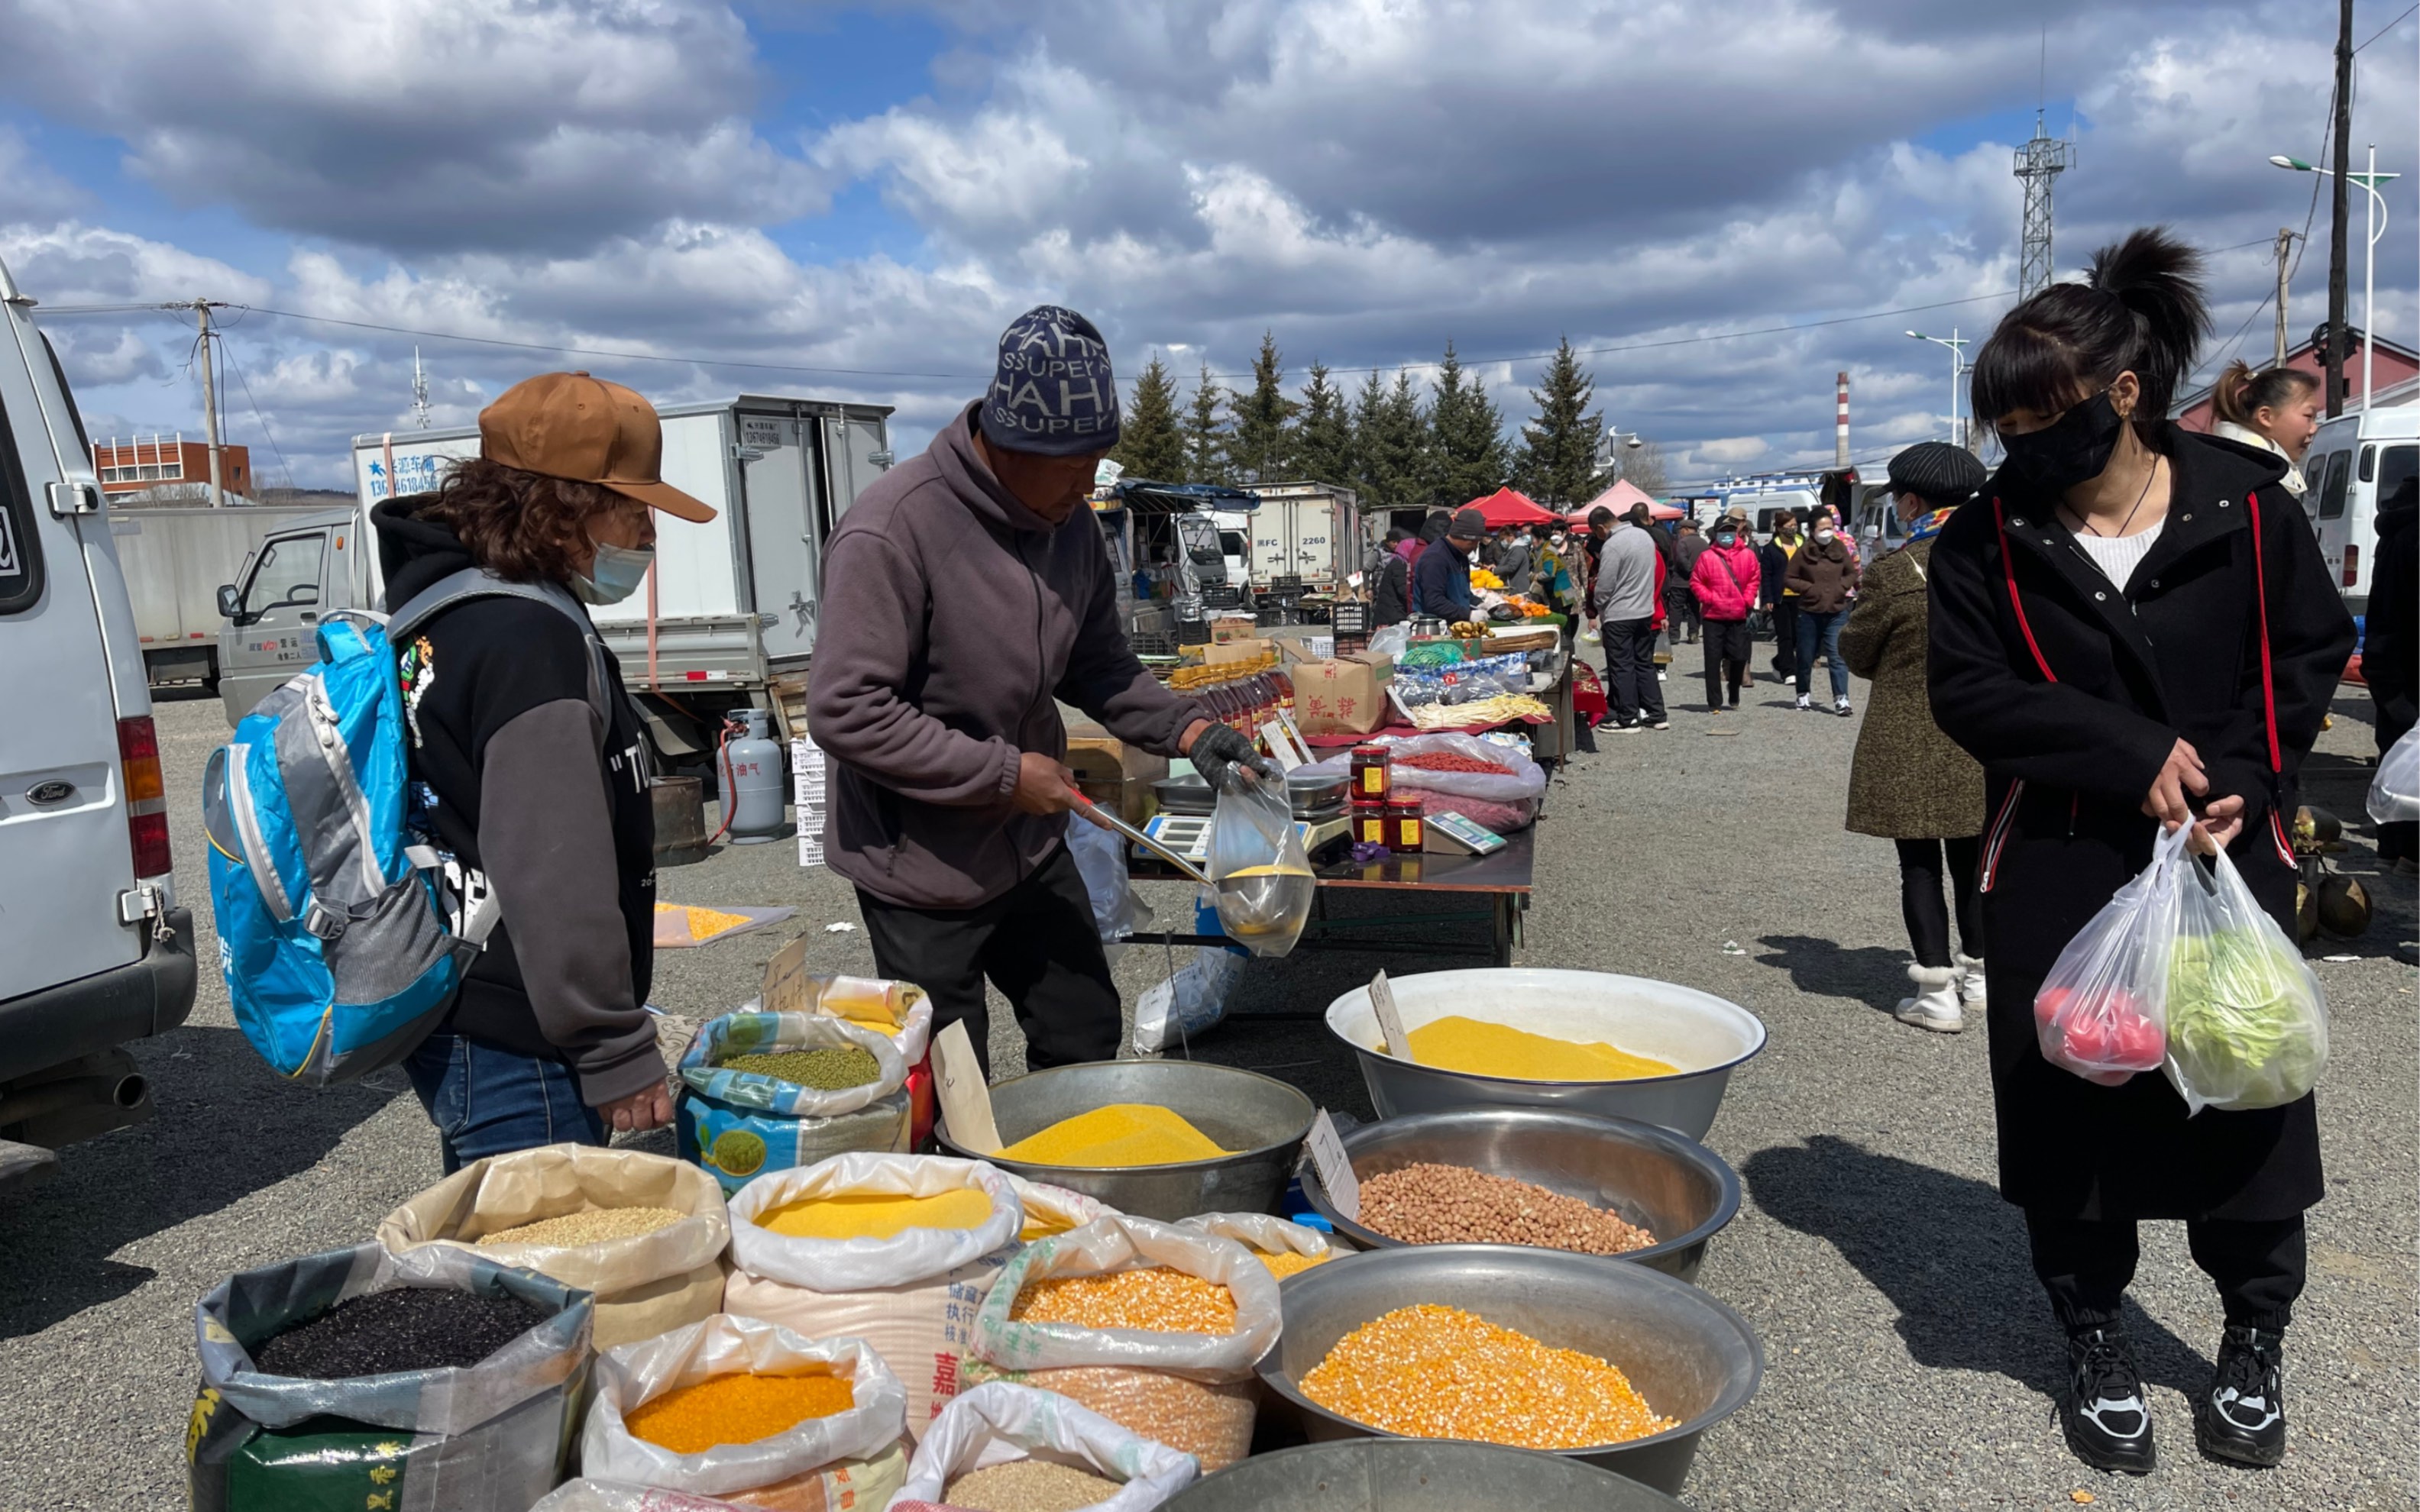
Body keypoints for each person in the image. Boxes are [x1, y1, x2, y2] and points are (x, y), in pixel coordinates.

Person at [1929, 229, 2354, 1475]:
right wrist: (2121, 751)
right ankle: (2091, 1332)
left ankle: (2249, 1337)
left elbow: (2303, 655)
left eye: (2038, 417)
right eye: (2001, 426)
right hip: (2059, 862)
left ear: (2121, 394)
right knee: (2072, 1109)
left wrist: (2240, 780)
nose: (2020, 446)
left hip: (2226, 856)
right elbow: (1969, 692)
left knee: (2248, 1098)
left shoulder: (2244, 505)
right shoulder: (1985, 539)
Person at [807, 306, 1273, 1076]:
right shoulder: (894, 530)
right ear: (1010, 443)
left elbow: (1100, 667)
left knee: (1084, 1028)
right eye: (1072, 466)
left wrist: (1192, 733)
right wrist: (999, 773)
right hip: (920, 862)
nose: (1087, 485)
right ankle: (976, 1192)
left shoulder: (1071, 529)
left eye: (1097, 462)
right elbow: (845, 709)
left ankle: (1068, 1189)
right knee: (954, 1076)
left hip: (1025, 843)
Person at [373, 372, 697, 1171]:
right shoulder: (527, 640)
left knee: (502, 1268)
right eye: (633, 506)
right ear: (562, 504)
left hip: (463, 1004)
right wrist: (612, 1046)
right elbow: (554, 868)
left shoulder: (449, 607)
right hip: (523, 1035)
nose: (648, 531)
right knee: (550, 1278)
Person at [1841, 441, 1990, 1032]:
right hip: (1985, 733)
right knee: (1977, 863)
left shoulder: (1897, 572)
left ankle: (1936, 997)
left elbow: (1856, 649)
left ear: (1909, 502)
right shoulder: (2001, 559)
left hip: (1909, 735)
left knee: (1921, 866)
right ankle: (1982, 979)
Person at [2367, 474, 2417, 872]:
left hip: (2391, 663)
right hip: (2404, 666)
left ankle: (2395, 849)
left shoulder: (2398, 524)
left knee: (2397, 756)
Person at [1589, 503, 1667, 731]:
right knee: (1644, 664)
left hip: (1620, 614)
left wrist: (1599, 604)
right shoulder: (1643, 536)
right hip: (1644, 610)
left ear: (1601, 527)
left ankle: (1628, 717)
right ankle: (1656, 713)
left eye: (1597, 532)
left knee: (1621, 666)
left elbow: (1605, 585)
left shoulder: (1613, 545)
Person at [2209, 360, 2323, 499]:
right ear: (2266, 417)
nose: (2314, 429)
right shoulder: (2255, 478)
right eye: (2308, 416)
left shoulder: (2227, 462)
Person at [1784, 511, 1859, 715]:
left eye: (1830, 528)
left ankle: (1841, 699)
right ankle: (1802, 695)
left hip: (1837, 611)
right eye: (1822, 528)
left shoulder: (1840, 547)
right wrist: (1808, 588)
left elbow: (1852, 572)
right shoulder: (1803, 552)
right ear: (1812, 530)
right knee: (1805, 656)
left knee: (1837, 657)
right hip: (1810, 612)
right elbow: (1790, 578)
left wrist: (1841, 587)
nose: (1827, 532)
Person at [1689, 516, 1760, 714]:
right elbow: (1696, 582)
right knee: (1712, 660)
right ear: (1716, 534)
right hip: (1713, 616)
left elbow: (1755, 578)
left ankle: (1734, 688)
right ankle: (1714, 702)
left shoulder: (1748, 555)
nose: (1728, 535)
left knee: (1739, 657)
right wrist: (1708, 597)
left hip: (1738, 614)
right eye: (1724, 531)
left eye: (1731, 531)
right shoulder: (1707, 557)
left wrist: (1748, 598)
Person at [1413, 506, 1487, 621]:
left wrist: (1479, 604)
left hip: (1457, 624)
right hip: (1436, 628)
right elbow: (1434, 602)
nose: (1474, 548)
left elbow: (1462, 593)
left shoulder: (1461, 556)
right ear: (1467, 539)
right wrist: (1468, 615)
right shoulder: (1435, 558)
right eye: (1474, 543)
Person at [1760, 509, 1803, 680]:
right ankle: (1789, 671)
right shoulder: (1771, 548)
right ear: (1779, 528)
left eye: (1794, 524)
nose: (1792, 528)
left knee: (1798, 635)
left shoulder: (1803, 542)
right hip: (1781, 597)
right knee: (1785, 634)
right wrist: (1767, 598)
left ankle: (1779, 661)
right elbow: (1767, 575)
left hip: (1802, 595)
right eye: (1788, 525)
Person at [1667, 521, 1707, 645]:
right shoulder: (1704, 543)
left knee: (1676, 609)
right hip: (1698, 582)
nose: (1680, 532)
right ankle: (1693, 634)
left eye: (1681, 530)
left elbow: (1681, 560)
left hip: (1681, 581)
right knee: (1694, 609)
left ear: (1686, 529)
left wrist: (1691, 572)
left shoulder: (1682, 542)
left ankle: (1674, 635)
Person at [1372, 526, 1414, 626]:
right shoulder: (1399, 565)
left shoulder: (1399, 561)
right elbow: (1402, 589)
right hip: (1391, 614)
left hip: (1390, 611)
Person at [1495, 526, 1535, 596]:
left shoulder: (1518, 549)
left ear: (1511, 536)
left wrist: (1495, 570)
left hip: (1519, 590)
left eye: (1503, 539)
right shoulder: (1512, 549)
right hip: (1514, 588)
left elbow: (1511, 567)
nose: (1502, 542)